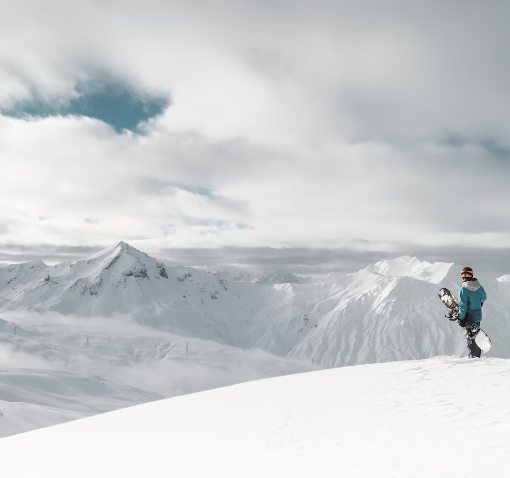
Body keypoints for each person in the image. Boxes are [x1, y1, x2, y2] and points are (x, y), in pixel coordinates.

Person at [457, 267, 487, 358]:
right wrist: (479, 302)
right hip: (477, 315)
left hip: (468, 317)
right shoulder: (479, 287)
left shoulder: (463, 289)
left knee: (470, 338)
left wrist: (461, 318)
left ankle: (473, 359)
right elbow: (484, 297)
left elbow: (463, 306)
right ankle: (477, 356)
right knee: (476, 335)